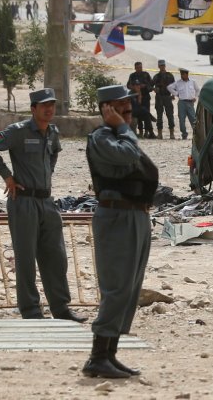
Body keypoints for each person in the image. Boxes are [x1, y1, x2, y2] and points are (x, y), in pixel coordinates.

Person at [0, 88, 86, 322]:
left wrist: (47, 174)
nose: (49, 109)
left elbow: (54, 154)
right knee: (26, 259)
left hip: (46, 201)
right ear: (33, 109)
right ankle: (31, 311)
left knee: (56, 257)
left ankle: (61, 308)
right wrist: (7, 176)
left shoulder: (52, 132)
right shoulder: (18, 131)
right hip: (23, 202)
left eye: (52, 105)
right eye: (44, 105)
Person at [83, 85, 158, 379]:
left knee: (130, 289)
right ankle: (97, 356)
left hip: (135, 214)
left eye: (128, 102)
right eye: (120, 103)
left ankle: (109, 354)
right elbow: (127, 157)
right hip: (116, 216)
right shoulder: (103, 137)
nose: (128, 107)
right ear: (106, 108)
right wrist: (123, 128)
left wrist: (124, 129)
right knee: (116, 289)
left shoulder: (121, 133)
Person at [168, 68, 199, 140]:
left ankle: (196, 134)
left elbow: (198, 90)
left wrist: (195, 97)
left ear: (187, 74)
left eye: (183, 74)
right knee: (181, 120)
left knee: (193, 119)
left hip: (190, 102)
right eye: (181, 74)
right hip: (181, 102)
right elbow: (169, 87)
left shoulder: (193, 82)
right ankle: (184, 134)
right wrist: (176, 94)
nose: (182, 75)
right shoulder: (178, 83)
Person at [127, 62, 155, 138]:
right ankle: (141, 132)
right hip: (135, 98)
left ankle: (147, 132)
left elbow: (152, 83)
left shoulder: (146, 74)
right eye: (138, 67)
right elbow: (128, 86)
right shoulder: (132, 76)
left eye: (140, 67)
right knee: (138, 115)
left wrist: (145, 86)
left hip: (145, 97)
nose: (139, 69)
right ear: (135, 68)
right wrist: (135, 88)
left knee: (147, 114)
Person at [152, 59, 176, 140]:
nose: (162, 67)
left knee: (170, 115)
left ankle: (172, 133)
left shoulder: (170, 75)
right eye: (161, 65)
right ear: (159, 66)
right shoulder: (156, 76)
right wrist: (154, 89)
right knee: (159, 115)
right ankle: (160, 134)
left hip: (167, 97)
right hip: (159, 97)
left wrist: (173, 94)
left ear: (165, 66)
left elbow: (174, 86)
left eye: (163, 65)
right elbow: (150, 86)